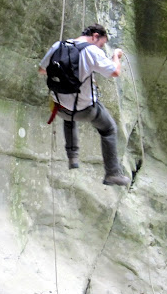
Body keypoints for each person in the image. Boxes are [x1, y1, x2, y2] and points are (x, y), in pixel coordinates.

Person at [39, 24, 131, 186]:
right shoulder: (91, 51)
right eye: (101, 43)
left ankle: (72, 157)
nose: (101, 47)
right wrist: (116, 55)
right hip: (85, 110)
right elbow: (115, 72)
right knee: (109, 129)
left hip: (59, 108)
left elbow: (42, 70)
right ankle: (112, 173)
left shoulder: (58, 46)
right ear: (95, 36)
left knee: (69, 117)